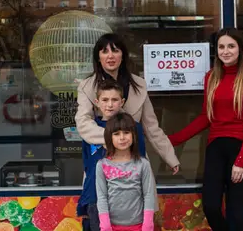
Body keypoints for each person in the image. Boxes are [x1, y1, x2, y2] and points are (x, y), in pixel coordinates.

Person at [168, 28, 243, 231]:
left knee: (237, 212)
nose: (226, 51)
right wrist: (174, 139)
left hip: (241, 148)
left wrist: (241, 160)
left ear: (240, 49)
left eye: (231, 46)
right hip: (216, 147)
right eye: (221, 47)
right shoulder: (211, 77)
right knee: (211, 206)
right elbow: (206, 117)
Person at [76, 33, 180, 173]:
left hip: (135, 157)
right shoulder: (87, 86)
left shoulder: (139, 84)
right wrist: (114, 138)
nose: (110, 56)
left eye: (115, 50)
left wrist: (170, 157)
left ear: (123, 55)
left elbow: (151, 127)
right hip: (102, 158)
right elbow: (83, 122)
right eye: (105, 51)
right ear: (98, 57)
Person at [78, 79, 147, 231]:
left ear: (122, 102)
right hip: (95, 197)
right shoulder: (91, 129)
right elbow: (87, 166)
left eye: (114, 100)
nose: (109, 104)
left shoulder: (134, 128)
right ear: (96, 102)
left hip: (126, 199)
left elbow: (141, 164)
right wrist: (84, 200)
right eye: (105, 100)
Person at [95, 113, 157, 231]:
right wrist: (105, 226)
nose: (122, 137)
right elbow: (102, 196)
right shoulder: (102, 165)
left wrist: (148, 225)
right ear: (109, 137)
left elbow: (148, 195)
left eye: (126, 132)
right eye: (116, 134)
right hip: (112, 226)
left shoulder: (143, 164)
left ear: (134, 135)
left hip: (139, 226)